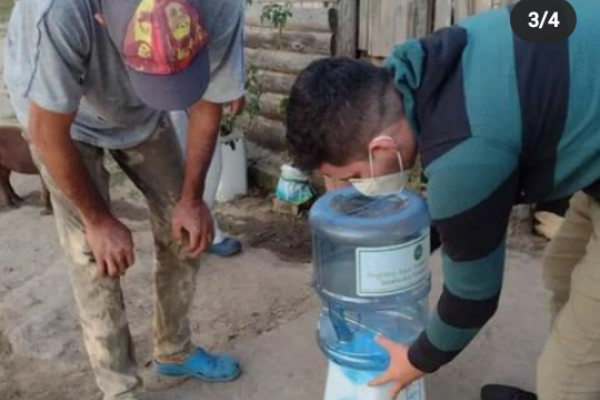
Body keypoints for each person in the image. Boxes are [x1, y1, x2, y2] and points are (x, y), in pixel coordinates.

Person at [285, 2, 600, 400]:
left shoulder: (463, 153)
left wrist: (414, 362)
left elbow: (472, 300)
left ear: (381, 146)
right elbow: (463, 221)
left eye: (355, 177)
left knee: (567, 373)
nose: (356, 189)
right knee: (563, 272)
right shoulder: (416, 68)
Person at [4, 0, 245, 399]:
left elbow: (207, 104)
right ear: (103, 18)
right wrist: (98, 222)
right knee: (95, 257)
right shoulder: (58, 13)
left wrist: (191, 199)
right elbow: (48, 135)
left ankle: (174, 349)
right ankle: (121, 389)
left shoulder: (218, 7)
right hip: (60, 118)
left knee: (186, 227)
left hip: (140, 115)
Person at [170, 110, 243, 257]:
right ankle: (180, 233)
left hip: (202, 94)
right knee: (174, 154)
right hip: (162, 96)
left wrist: (234, 90)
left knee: (210, 160)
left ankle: (201, 229)